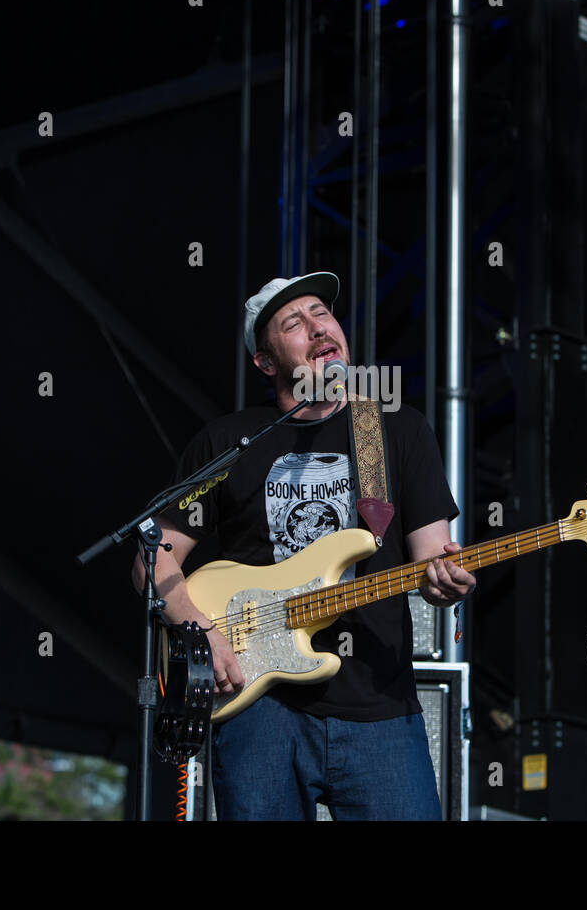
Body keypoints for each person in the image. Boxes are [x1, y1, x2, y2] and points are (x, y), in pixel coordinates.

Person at [136, 271, 475, 820]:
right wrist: (201, 634)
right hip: (261, 705)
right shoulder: (229, 442)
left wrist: (446, 581)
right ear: (266, 363)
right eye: (294, 323)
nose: (318, 328)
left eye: (322, 313)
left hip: (380, 705)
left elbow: (434, 558)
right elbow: (154, 557)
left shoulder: (394, 428)